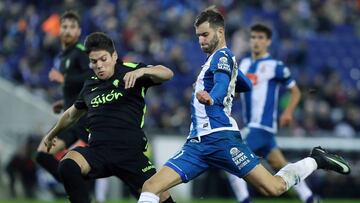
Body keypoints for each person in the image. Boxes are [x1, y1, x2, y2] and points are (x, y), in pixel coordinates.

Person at [137, 8, 350, 203]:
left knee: (273, 188)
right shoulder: (217, 60)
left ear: (220, 33)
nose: (201, 40)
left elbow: (221, 84)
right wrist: (230, 84)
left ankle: (316, 160)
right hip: (197, 144)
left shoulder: (223, 56)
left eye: (205, 35)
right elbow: (245, 84)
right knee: (151, 186)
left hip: (221, 138)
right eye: (198, 36)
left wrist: (214, 97)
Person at [43, 32, 175, 203]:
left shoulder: (132, 71)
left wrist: (143, 71)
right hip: (98, 152)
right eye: (94, 61)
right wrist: (52, 134)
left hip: (130, 154)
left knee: (163, 198)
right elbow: (71, 114)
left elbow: (167, 73)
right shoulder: (90, 84)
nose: (99, 65)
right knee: (67, 164)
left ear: (114, 56)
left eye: (103, 59)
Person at [226, 24, 319, 203]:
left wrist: (288, 112)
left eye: (260, 38)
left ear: (268, 42)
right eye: (253, 37)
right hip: (257, 129)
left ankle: (244, 200)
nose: (256, 41)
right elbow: (238, 93)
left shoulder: (275, 66)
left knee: (231, 158)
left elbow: (296, 91)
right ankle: (310, 197)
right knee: (281, 165)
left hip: (260, 126)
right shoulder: (244, 63)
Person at [36, 10, 92, 183]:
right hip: (71, 113)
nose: (68, 31)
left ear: (79, 31)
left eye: (72, 27)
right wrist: (64, 101)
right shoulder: (65, 56)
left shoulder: (81, 52)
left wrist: (65, 79)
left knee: (43, 155)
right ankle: (77, 189)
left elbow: (91, 77)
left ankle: (76, 188)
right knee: (43, 155)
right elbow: (77, 87)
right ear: (59, 30)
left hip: (78, 118)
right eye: (64, 27)